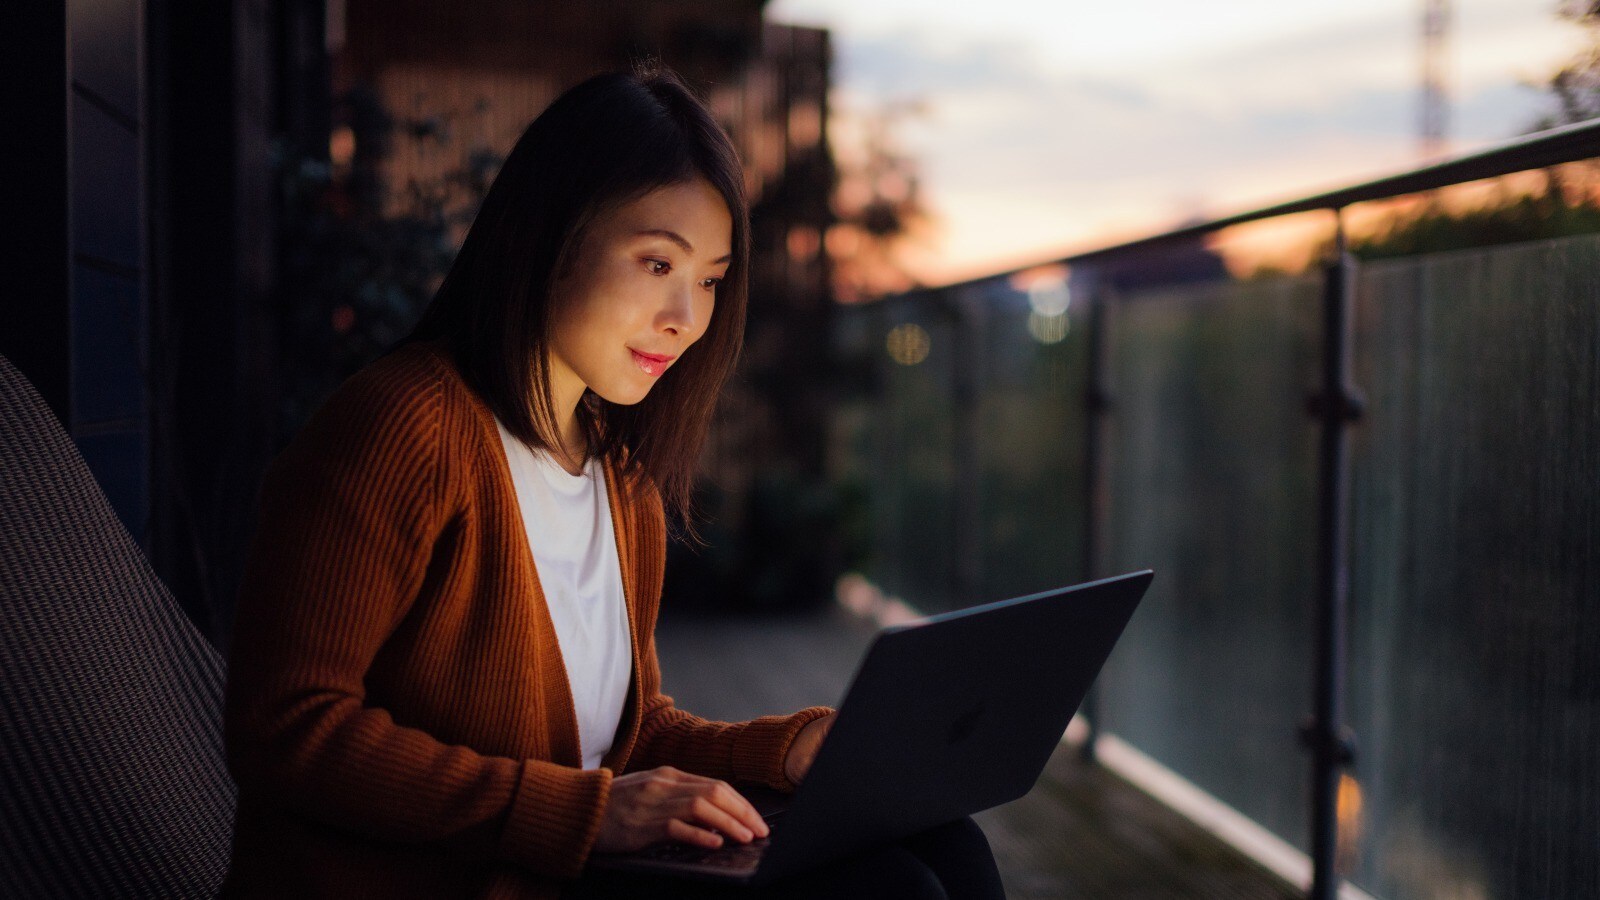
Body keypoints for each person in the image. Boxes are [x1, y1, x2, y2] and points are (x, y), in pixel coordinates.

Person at [221, 63, 1004, 900]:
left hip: (571, 870)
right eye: (657, 264)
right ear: (550, 237)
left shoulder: (618, 474)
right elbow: (283, 727)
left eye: (708, 280)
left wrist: (783, 753)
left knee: (943, 841)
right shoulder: (404, 428)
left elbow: (625, 737)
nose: (686, 319)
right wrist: (579, 814)